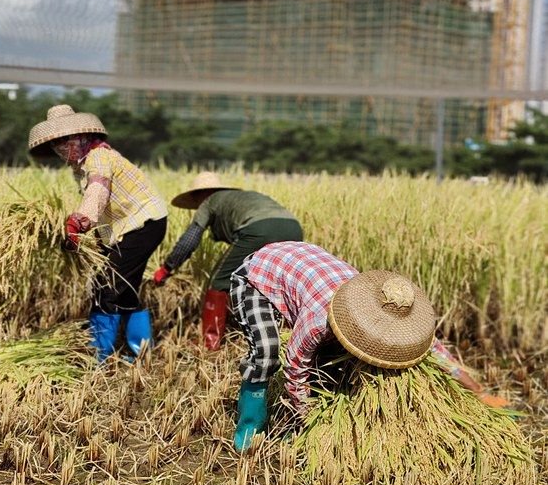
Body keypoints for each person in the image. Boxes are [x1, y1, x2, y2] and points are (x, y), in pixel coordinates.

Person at [230, 241, 511, 452]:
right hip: (260, 273)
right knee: (266, 352)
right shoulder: (318, 320)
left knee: (334, 362)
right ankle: (250, 426)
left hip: (307, 265)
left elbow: (436, 351)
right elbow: (295, 367)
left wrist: (479, 392)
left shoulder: (385, 305)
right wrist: (307, 417)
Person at [28, 104, 167, 362]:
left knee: (107, 287)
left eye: (65, 140)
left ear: (81, 136)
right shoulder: (82, 166)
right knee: (123, 288)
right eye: (56, 143)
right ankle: (141, 353)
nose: (61, 148)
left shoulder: (99, 157)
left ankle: (97, 355)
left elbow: (98, 192)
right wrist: (88, 238)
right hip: (125, 228)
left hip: (143, 223)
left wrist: (79, 223)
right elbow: (102, 209)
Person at [151, 172, 303, 350]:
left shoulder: (208, 201)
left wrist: (167, 267)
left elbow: (190, 240)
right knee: (277, 282)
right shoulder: (241, 197)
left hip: (259, 229)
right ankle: (289, 335)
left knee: (219, 280)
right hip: (294, 227)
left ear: (199, 194)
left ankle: (210, 343)